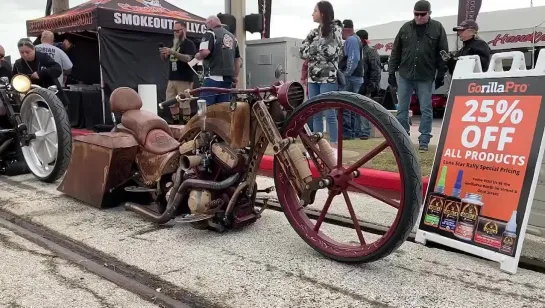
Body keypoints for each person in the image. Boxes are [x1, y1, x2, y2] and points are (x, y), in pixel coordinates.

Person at [388, 0, 449, 152]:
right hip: (405, 74)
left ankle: (424, 140)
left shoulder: (437, 28)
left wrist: (441, 72)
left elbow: (442, 51)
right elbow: (396, 51)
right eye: (417, 14)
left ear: (429, 13)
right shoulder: (405, 28)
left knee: (426, 108)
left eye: (423, 14)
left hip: (426, 74)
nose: (419, 17)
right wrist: (391, 72)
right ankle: (402, 139)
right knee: (402, 108)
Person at [299, 1, 343, 148]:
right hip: (313, 77)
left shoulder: (335, 29)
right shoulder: (313, 32)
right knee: (315, 112)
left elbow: (331, 52)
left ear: (323, 13)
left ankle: (335, 146)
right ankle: (318, 146)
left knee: (330, 112)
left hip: (328, 77)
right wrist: (317, 48)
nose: (313, 14)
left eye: (315, 11)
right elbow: (301, 52)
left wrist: (313, 49)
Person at [194, 15, 241, 106]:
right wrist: (235, 77)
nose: (206, 27)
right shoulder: (232, 38)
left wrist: (197, 56)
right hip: (227, 80)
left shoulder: (210, 33)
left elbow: (205, 52)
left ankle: (205, 121)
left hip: (212, 77)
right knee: (223, 108)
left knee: (204, 107)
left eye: (206, 24)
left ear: (210, 22)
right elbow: (237, 59)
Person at [160, 21, 197, 124]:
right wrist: (164, 55)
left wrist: (173, 52)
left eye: (177, 30)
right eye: (174, 30)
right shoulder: (174, 43)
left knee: (184, 103)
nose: (175, 33)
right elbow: (167, 59)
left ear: (184, 30)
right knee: (171, 103)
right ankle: (176, 124)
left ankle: (186, 125)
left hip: (184, 78)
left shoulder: (189, 43)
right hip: (172, 77)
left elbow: (188, 58)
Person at [339, 19, 364, 140]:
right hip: (356, 77)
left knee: (345, 106)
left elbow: (353, 59)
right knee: (352, 106)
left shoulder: (351, 40)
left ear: (345, 30)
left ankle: (347, 133)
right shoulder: (357, 39)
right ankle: (352, 132)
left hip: (352, 77)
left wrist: (346, 74)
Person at [356, 29, 382, 140]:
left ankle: (364, 132)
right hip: (357, 85)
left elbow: (376, 71)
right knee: (356, 109)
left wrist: (371, 87)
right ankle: (358, 131)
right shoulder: (356, 51)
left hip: (366, 85)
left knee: (364, 109)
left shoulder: (371, 51)